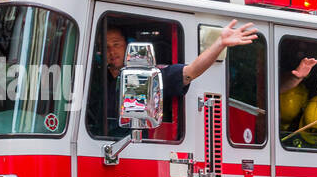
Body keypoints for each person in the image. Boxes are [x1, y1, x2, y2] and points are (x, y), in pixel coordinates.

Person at [88, 19, 259, 137]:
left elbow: (190, 72)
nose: (112, 51)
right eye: (106, 46)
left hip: (131, 149)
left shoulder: (148, 77)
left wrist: (220, 43)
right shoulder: (93, 81)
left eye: (116, 44)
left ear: (128, 45)